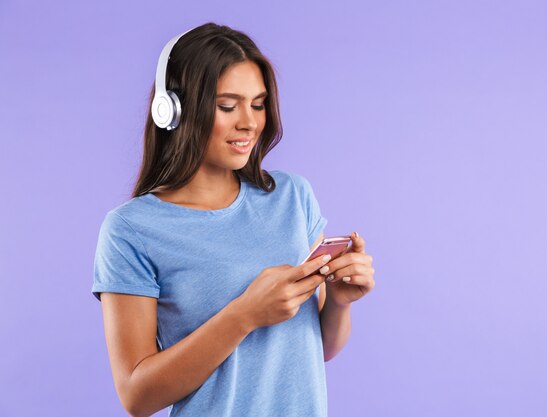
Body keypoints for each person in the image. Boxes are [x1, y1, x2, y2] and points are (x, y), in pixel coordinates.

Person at [92, 22, 375, 417]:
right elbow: (137, 397)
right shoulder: (131, 230)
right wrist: (244, 315)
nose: (249, 122)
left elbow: (319, 349)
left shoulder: (293, 197)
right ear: (172, 110)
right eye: (227, 106)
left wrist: (340, 304)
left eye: (258, 104)